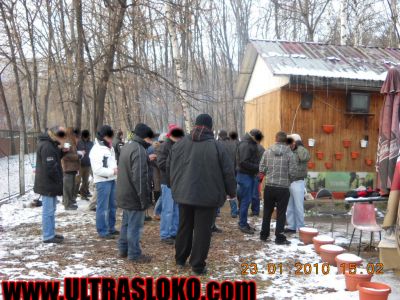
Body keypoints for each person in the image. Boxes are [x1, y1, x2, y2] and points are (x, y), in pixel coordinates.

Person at [169, 114, 236, 275]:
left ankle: (180, 258)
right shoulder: (217, 147)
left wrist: (175, 187)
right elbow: (228, 172)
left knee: (184, 226)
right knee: (202, 231)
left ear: (195, 125)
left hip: (184, 194)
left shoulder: (179, 144)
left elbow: (171, 168)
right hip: (208, 196)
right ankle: (197, 264)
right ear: (211, 127)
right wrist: (232, 192)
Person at [116, 123, 155, 263]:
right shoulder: (138, 150)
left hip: (125, 192)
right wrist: (144, 200)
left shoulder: (127, 146)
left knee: (126, 224)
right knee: (135, 226)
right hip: (134, 195)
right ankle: (134, 254)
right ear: (145, 137)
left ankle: (123, 249)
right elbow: (139, 178)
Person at [259, 131, 296, 245]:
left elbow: (261, 168)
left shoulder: (267, 151)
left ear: (275, 138)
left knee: (267, 212)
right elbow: (293, 172)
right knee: (281, 213)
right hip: (283, 188)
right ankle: (279, 237)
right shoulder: (289, 153)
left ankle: (264, 235)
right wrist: (288, 180)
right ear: (285, 141)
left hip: (269, 187)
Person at [34, 126, 66, 243]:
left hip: (49, 183)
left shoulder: (50, 143)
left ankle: (51, 232)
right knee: (48, 211)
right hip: (47, 184)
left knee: (51, 210)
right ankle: (48, 235)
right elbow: (50, 168)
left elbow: (55, 157)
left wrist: (62, 152)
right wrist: (59, 180)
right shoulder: (47, 146)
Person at [157, 124, 185, 245]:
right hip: (167, 182)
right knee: (168, 209)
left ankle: (174, 232)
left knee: (176, 209)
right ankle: (165, 234)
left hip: (177, 182)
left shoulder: (179, 145)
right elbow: (161, 164)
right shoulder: (165, 146)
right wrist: (175, 169)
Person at [89, 125, 118, 239]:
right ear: (103, 136)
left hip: (111, 180)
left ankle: (111, 227)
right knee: (102, 207)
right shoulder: (96, 150)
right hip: (102, 182)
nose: (111, 139)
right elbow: (97, 170)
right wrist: (113, 171)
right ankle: (102, 230)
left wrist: (114, 170)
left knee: (112, 206)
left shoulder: (108, 147)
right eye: (109, 136)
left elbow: (111, 162)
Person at [236, 129, 264, 234]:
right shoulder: (245, 145)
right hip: (245, 176)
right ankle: (242, 224)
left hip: (248, 175)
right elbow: (243, 162)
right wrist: (257, 167)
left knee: (246, 200)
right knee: (245, 200)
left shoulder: (249, 143)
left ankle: (243, 222)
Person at [285, 134, 310, 233]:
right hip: (288, 181)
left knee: (299, 206)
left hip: (298, 182)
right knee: (289, 206)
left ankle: (301, 227)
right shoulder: (289, 150)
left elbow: (304, 157)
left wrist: (299, 145)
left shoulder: (302, 150)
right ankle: (291, 226)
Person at [61, 127, 81, 210]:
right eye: (73, 133)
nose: (75, 135)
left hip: (72, 168)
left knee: (71, 187)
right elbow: (65, 155)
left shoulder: (71, 142)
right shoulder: (67, 142)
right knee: (68, 187)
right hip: (68, 168)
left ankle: (70, 202)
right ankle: (67, 204)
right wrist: (77, 156)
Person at [76, 130, 94, 200]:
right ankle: (74, 195)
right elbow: (75, 151)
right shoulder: (79, 142)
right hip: (79, 164)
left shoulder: (91, 143)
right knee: (77, 180)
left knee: (85, 181)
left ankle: (83, 195)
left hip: (88, 164)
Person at [250, 143, 265, 217]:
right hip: (258, 173)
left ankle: (255, 211)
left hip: (254, 173)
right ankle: (255, 211)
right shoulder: (262, 148)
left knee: (254, 193)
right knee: (255, 193)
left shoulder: (254, 148)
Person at [228, 131, 240, 218]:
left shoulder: (227, 145)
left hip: (230, 171)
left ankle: (234, 211)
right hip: (239, 171)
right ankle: (237, 210)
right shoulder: (240, 145)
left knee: (232, 192)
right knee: (238, 192)